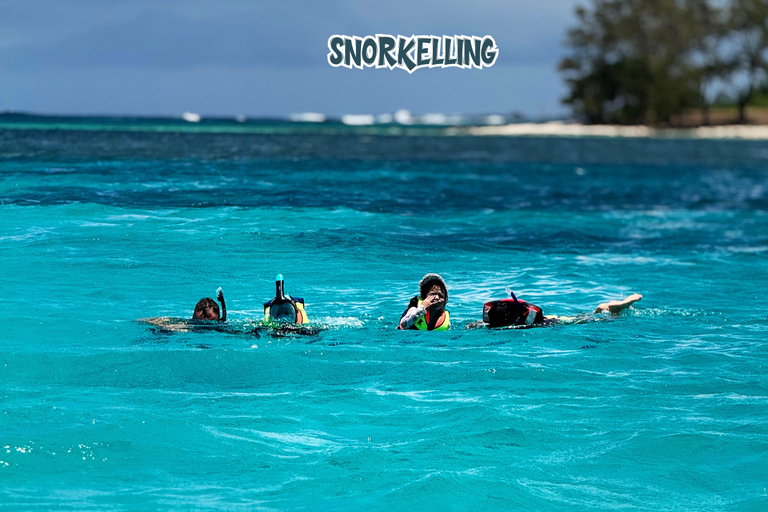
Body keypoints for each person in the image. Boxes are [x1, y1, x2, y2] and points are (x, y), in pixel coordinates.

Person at [474, 291, 642, 328]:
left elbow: (477, 324)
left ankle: (615, 309)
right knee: (595, 316)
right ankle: (614, 308)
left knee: (601, 316)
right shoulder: (527, 322)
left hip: (551, 322)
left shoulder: (494, 325)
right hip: (552, 320)